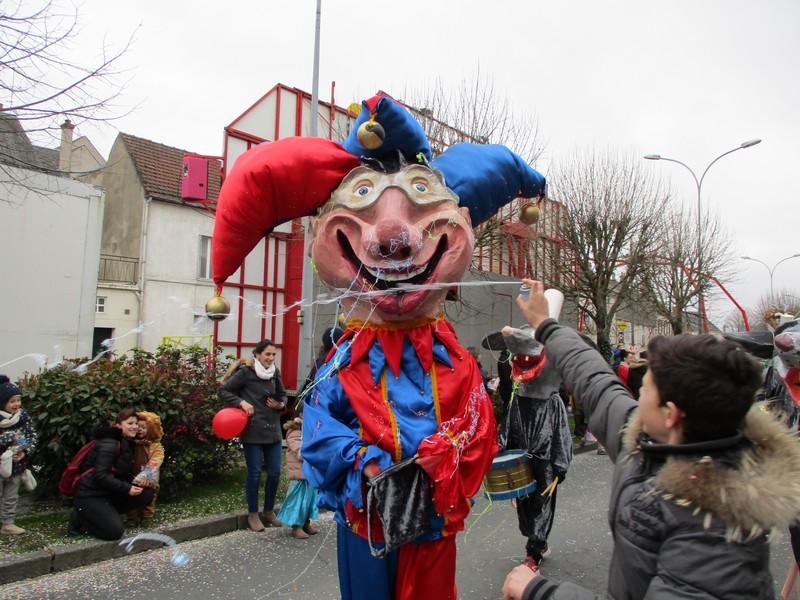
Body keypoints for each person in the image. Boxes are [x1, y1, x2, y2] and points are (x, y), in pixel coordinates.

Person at [502, 279, 800, 600]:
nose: (635, 394)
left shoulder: (716, 531)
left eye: (646, 388)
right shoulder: (653, 438)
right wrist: (546, 325)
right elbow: (595, 380)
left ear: (670, 414)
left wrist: (540, 592)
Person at [500, 326, 572, 569]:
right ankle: (539, 544)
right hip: (521, 462)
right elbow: (508, 429)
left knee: (541, 506)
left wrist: (560, 465)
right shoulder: (517, 400)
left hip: (545, 464)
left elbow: (561, 433)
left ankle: (534, 552)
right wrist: (501, 451)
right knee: (524, 507)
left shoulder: (553, 402)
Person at [219, 338, 288, 532]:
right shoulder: (245, 373)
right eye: (267, 354)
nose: (271, 358)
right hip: (252, 430)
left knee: (275, 473)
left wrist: (280, 404)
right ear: (257, 354)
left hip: (273, 430)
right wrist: (241, 403)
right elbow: (223, 390)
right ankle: (253, 514)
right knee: (255, 473)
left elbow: (282, 395)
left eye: (274, 354)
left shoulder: (275, 372)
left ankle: (268, 511)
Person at [69, 409, 156, 540]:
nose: (135, 427)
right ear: (118, 425)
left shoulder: (123, 441)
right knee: (114, 533)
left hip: (107, 492)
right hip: (90, 494)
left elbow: (119, 472)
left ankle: (104, 513)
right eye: (130, 423)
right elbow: (100, 475)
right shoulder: (109, 444)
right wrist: (128, 488)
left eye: (136, 423)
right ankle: (82, 518)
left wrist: (136, 481)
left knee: (146, 492)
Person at [0, 376, 37, 535]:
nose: (17, 404)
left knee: (11, 495)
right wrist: (9, 439)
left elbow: (31, 436)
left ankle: (8, 523)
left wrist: (24, 450)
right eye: (12, 401)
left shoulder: (23, 417)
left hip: (17, 464)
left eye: (18, 400)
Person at [277, 416, 319, 539]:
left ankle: (306, 523)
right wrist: (315, 452)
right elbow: (300, 452)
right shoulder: (295, 431)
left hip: (309, 474)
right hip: (300, 475)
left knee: (310, 500)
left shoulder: (309, 430)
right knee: (298, 501)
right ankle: (296, 526)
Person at [126, 411, 164, 526]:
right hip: (134, 474)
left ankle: (147, 517)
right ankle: (132, 518)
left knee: (150, 498)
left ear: (151, 429)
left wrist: (146, 474)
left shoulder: (155, 446)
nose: (140, 429)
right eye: (139, 426)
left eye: (144, 427)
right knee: (132, 496)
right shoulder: (135, 443)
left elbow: (156, 460)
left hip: (149, 476)